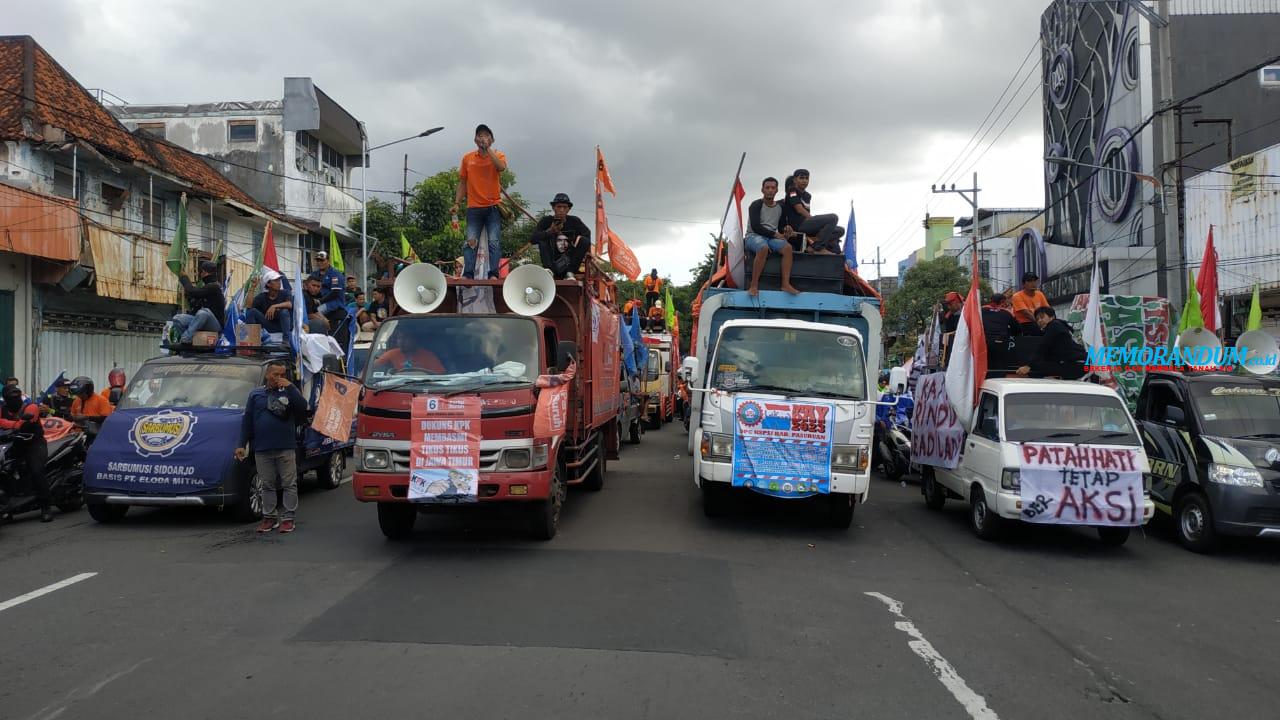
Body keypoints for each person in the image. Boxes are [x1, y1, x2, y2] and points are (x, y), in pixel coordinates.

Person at [234, 361, 308, 535]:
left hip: (285, 447)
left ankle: (288, 519)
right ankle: (270, 518)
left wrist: (290, 387)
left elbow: (303, 407)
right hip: (262, 448)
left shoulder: (290, 392)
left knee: (289, 484)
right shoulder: (255, 395)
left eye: (282, 375)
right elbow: (247, 421)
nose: (279, 378)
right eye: (275, 374)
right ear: (267, 375)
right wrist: (241, 445)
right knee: (267, 485)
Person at [451, 124, 508, 279]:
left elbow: (501, 167)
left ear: (492, 139)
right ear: (475, 139)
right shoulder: (468, 158)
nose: (482, 138)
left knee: (494, 242)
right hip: (474, 207)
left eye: (486, 135)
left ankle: (493, 274)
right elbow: (462, 182)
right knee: (471, 241)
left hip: (493, 207)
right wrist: (457, 203)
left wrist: (488, 148)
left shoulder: (498, 155)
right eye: (480, 135)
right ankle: (468, 273)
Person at [1, 384, 52, 522]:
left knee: (36, 471)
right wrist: (13, 424)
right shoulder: (2, 409)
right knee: (6, 471)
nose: (14, 398)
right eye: (11, 396)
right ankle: (7, 507)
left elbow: (22, 425)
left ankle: (45, 507)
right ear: (5, 398)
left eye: (16, 395)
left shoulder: (31, 407)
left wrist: (8, 424)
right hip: (13, 444)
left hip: (34, 443)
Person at [745, 176, 800, 296]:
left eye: (772, 188)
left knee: (787, 248)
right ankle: (753, 285)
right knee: (762, 247)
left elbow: (780, 226)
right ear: (762, 190)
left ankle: (785, 284)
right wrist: (775, 234)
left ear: (776, 190)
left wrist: (786, 228)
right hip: (753, 236)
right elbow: (756, 226)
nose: (770, 190)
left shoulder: (780, 207)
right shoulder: (756, 204)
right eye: (767, 188)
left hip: (771, 237)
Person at [1016, 307, 1087, 379]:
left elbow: (1043, 347)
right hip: (1080, 364)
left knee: (1036, 366)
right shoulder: (1061, 326)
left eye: (1042, 317)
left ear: (1052, 317)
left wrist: (1028, 366)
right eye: (1037, 319)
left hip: (1076, 365)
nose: (1039, 321)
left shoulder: (1054, 325)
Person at [782, 170, 844, 254]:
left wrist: (818, 225)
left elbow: (806, 212)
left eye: (806, 178)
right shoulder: (792, 191)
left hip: (807, 225)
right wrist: (813, 219)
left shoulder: (807, 195)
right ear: (795, 180)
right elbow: (799, 209)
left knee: (840, 230)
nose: (804, 180)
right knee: (833, 217)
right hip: (798, 225)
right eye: (801, 178)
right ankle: (817, 248)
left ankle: (814, 246)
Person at [531, 193, 591, 279]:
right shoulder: (546, 221)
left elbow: (587, 235)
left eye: (564, 207)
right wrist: (549, 232)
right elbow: (533, 239)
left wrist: (578, 241)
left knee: (584, 240)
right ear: (553, 208)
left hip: (569, 261)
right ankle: (549, 270)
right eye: (559, 207)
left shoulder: (574, 221)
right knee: (541, 238)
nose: (561, 210)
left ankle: (570, 273)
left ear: (568, 209)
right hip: (551, 262)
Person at [171, 260, 226, 345]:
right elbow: (194, 296)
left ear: (204, 272)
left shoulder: (215, 287)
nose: (200, 274)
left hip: (215, 325)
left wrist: (184, 277)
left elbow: (193, 292)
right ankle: (190, 341)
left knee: (204, 312)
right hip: (202, 321)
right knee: (177, 319)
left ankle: (185, 338)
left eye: (201, 271)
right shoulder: (207, 286)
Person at [371, 327, 446, 374]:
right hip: (397, 389)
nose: (401, 341)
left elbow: (441, 375)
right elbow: (372, 369)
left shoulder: (428, 356)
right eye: (400, 338)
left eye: (406, 338)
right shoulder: (391, 354)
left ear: (415, 340)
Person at [244, 272, 295, 339]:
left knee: (284, 311)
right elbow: (248, 306)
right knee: (251, 311)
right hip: (269, 325)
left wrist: (274, 306)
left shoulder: (285, 292)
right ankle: (251, 340)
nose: (279, 282)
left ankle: (286, 341)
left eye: (279, 280)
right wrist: (252, 287)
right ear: (268, 284)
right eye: (276, 280)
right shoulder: (262, 296)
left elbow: (289, 304)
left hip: (284, 325)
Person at [1010, 272, 1049, 336]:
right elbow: (1027, 314)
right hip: (1024, 324)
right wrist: (1041, 323)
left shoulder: (1040, 294)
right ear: (1023, 284)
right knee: (1036, 329)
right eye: (1030, 281)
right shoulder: (1017, 296)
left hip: (1038, 322)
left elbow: (1048, 310)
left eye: (1035, 281)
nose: (1033, 283)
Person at [311, 251, 346, 320]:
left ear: (328, 261)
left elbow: (335, 292)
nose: (319, 262)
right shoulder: (314, 274)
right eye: (318, 260)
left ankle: (325, 326)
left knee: (315, 313)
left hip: (333, 302)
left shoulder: (335, 274)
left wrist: (320, 301)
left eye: (322, 260)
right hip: (318, 301)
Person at [939, 291, 963, 364]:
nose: (948, 306)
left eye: (950, 304)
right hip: (950, 347)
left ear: (957, 302)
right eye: (947, 304)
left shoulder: (965, 315)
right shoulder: (949, 315)